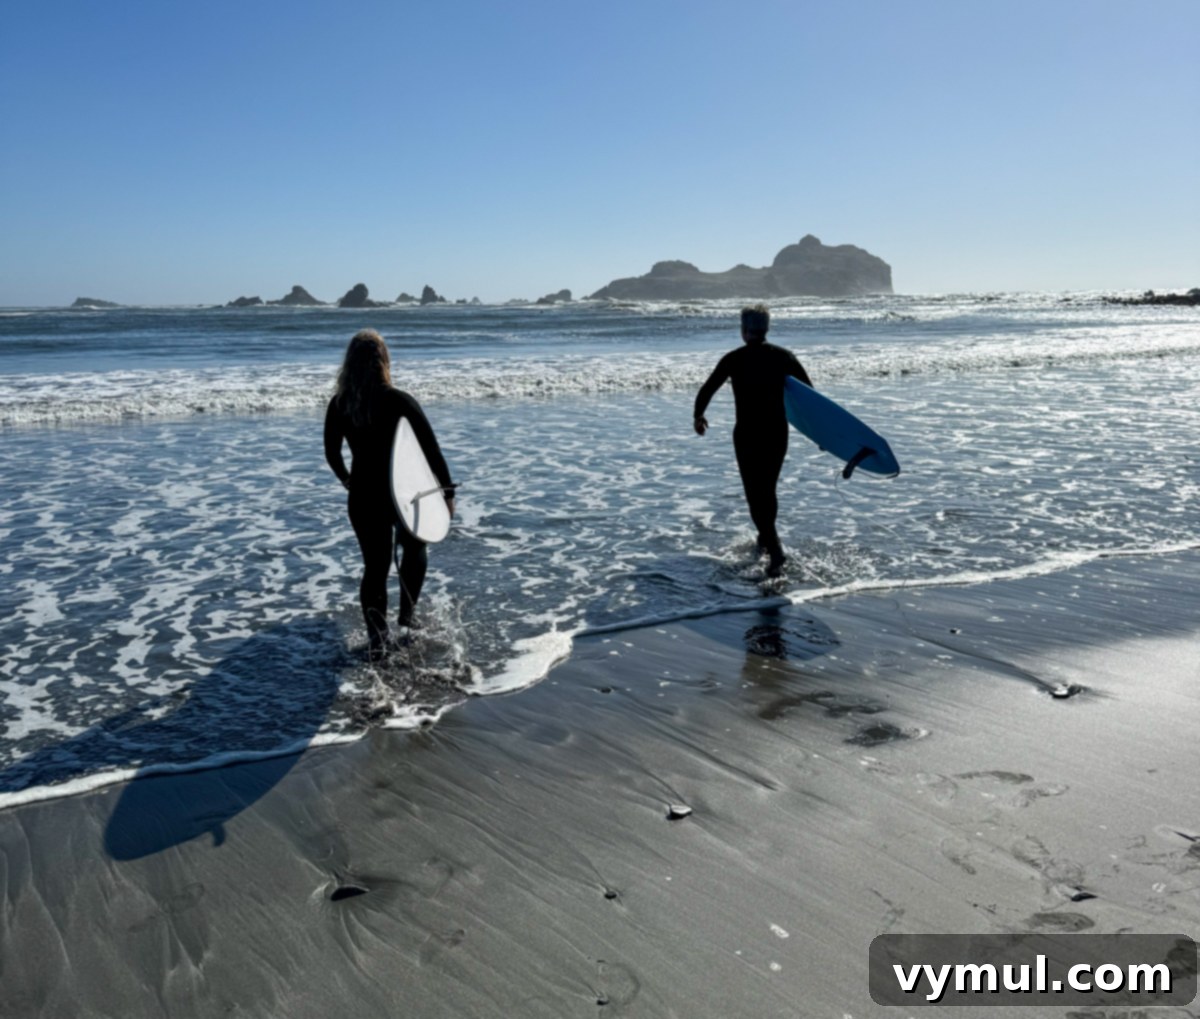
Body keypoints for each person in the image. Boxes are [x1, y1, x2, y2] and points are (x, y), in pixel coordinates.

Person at [324, 329, 455, 655]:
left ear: (349, 363)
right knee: (414, 547)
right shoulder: (398, 400)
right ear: (384, 361)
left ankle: (377, 638)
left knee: (375, 566)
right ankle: (407, 618)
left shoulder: (340, 404)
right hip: (403, 493)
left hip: (363, 496)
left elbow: (331, 452)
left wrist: (346, 479)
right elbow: (431, 451)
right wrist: (447, 493)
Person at [693, 304, 812, 578]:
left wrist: (698, 416)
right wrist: (821, 434)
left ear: (744, 331)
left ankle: (775, 548)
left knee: (754, 495)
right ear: (766, 329)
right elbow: (810, 397)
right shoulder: (784, 357)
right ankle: (765, 538)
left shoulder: (734, 359)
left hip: (747, 433)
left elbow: (707, 389)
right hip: (776, 432)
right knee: (767, 490)